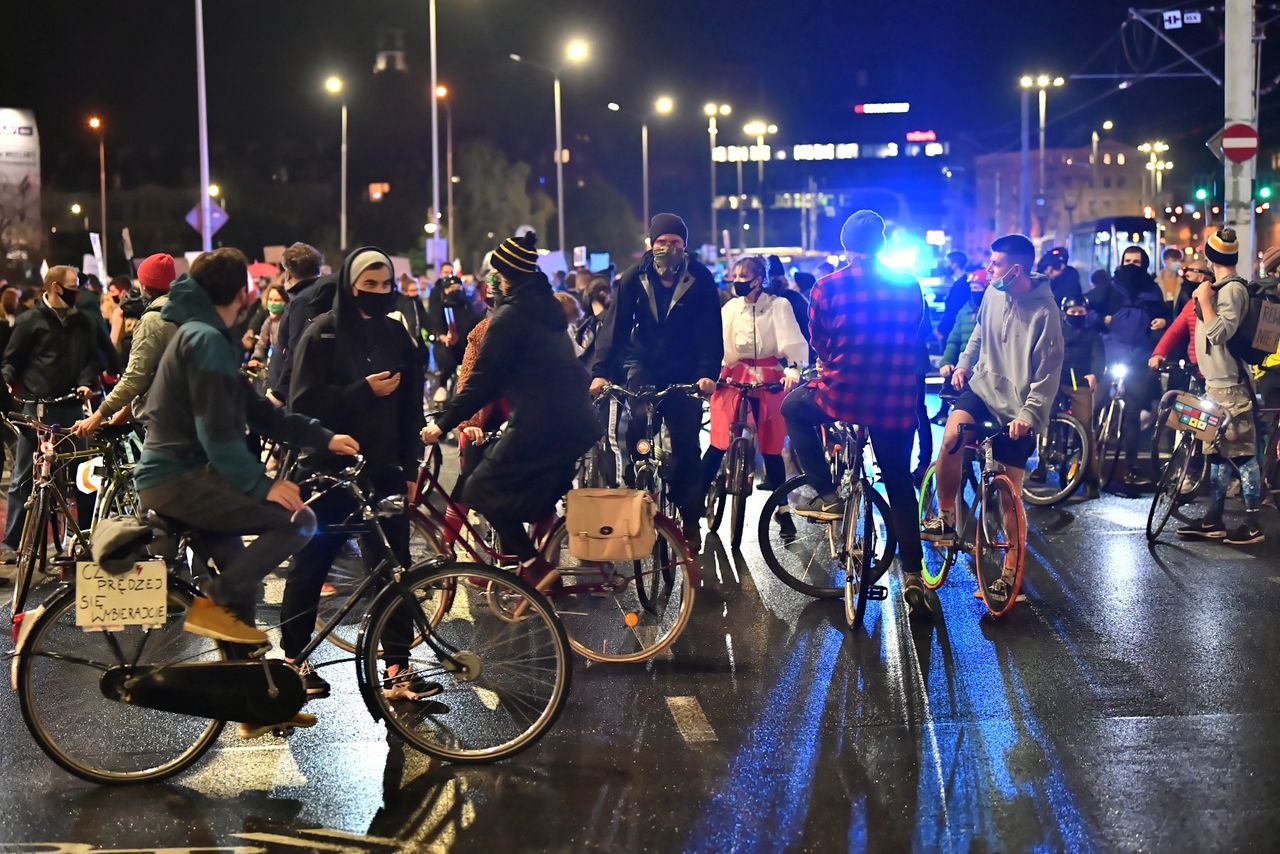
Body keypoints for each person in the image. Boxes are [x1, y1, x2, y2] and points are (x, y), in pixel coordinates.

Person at [133, 247, 358, 648]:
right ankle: (214, 603)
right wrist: (262, 486)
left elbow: (257, 410)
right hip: (179, 478)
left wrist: (324, 437)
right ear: (243, 292)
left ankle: (252, 699)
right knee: (299, 522)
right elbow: (217, 433)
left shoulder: (203, 333)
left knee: (243, 582)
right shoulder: (205, 339)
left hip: (187, 477)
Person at [282, 247, 425, 698]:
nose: (380, 294)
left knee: (394, 564)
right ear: (350, 285)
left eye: (387, 286)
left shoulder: (398, 336)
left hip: (383, 468)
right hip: (330, 470)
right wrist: (361, 391)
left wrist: (410, 465)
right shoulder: (321, 334)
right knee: (313, 560)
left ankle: (397, 667)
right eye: (370, 285)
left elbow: (410, 407)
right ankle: (293, 661)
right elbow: (302, 405)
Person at [422, 233, 600, 585]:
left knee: (479, 490)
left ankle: (535, 570)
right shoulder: (544, 308)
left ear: (503, 276)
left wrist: (442, 423)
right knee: (523, 497)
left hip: (543, 424)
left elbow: (481, 382)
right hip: (571, 422)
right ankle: (528, 569)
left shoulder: (511, 317)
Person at [781, 210, 930, 615]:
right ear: (881, 246)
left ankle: (827, 494)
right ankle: (914, 576)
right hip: (895, 397)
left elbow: (821, 343)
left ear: (846, 248)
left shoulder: (827, 287)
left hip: (843, 393)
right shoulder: (907, 283)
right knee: (898, 484)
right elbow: (915, 330)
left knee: (792, 408)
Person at [923, 233, 1063, 606]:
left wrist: (1029, 415)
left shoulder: (1046, 312)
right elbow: (978, 335)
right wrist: (965, 366)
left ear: (1016, 268)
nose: (988, 269)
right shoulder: (991, 293)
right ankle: (947, 516)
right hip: (983, 390)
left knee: (1008, 500)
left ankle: (1008, 575)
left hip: (1019, 408)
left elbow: (1048, 375)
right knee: (952, 436)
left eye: (996, 264)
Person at [588, 213, 723, 550]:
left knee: (686, 445)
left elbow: (711, 330)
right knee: (636, 425)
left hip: (688, 370)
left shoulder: (701, 278)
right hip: (643, 364)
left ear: (684, 246)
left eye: (674, 243)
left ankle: (690, 515)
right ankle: (638, 479)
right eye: (661, 243)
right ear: (651, 244)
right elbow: (615, 325)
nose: (668, 249)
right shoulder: (634, 276)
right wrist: (602, 371)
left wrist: (708, 373)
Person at [1, 265, 101, 564]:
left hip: (72, 406)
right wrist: (7, 379)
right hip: (37, 406)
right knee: (24, 474)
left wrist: (86, 382)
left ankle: (83, 535)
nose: (78, 290)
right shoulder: (30, 320)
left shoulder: (82, 322)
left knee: (84, 474)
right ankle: (12, 542)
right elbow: (12, 359)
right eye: (73, 285)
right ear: (55, 287)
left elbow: (90, 359)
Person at [700, 256, 807, 537]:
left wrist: (793, 370)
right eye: (734, 275)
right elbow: (715, 343)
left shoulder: (778, 306)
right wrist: (712, 372)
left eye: (742, 276)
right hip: (734, 376)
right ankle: (695, 496)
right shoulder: (730, 308)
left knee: (772, 447)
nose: (737, 281)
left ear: (758, 280)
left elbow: (793, 344)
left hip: (770, 379)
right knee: (719, 440)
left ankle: (783, 511)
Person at [1176, 228, 1264, 544]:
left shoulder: (1232, 291)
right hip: (1214, 385)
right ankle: (1214, 518)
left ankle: (1253, 524)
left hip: (1232, 388)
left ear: (1210, 256)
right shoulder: (1220, 288)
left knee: (1242, 453)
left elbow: (1219, 333)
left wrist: (1203, 299)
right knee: (1214, 453)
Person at [71, 253, 179, 437]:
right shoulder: (182, 311)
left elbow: (135, 377)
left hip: (164, 422)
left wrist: (98, 415)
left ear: (144, 285)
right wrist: (124, 413)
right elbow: (154, 375)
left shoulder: (153, 319)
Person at [1100, 261, 1168, 493]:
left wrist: (1162, 322)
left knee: (1132, 414)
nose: (1132, 266)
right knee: (1095, 403)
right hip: (1112, 355)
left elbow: (1165, 317)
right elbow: (1090, 309)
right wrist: (1101, 319)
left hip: (1139, 359)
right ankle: (1086, 458)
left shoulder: (1153, 291)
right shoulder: (1110, 286)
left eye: (1137, 262)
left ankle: (1131, 465)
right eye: (1127, 261)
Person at [266, 242, 326, 405]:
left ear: (289, 272)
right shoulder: (322, 293)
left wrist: (279, 394)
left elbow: (297, 350)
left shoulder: (302, 301)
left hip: (296, 394)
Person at [1058, 296, 1105, 499]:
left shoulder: (1092, 334)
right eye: (1072, 312)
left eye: (1080, 312)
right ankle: (1041, 464)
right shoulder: (1057, 331)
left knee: (1085, 429)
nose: (1077, 315)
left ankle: (1091, 480)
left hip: (1079, 384)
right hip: (1057, 382)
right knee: (1040, 420)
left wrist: (1094, 374)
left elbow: (1098, 358)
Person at [425, 263, 479, 403]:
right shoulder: (440, 305)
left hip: (465, 344)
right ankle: (441, 385)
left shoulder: (467, 305)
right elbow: (435, 322)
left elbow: (473, 322)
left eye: (457, 287)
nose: (455, 290)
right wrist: (443, 337)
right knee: (448, 362)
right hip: (446, 345)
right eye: (451, 288)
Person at [246, 282, 288, 386]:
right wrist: (256, 358)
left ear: (286, 302)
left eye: (277, 300)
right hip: (271, 366)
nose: (273, 303)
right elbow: (261, 343)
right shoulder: (268, 321)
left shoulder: (288, 321)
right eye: (270, 300)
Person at [935, 250, 971, 344]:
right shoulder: (963, 283)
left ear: (954, 264)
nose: (946, 266)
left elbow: (952, 311)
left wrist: (941, 329)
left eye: (947, 262)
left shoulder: (960, 286)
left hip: (952, 330)